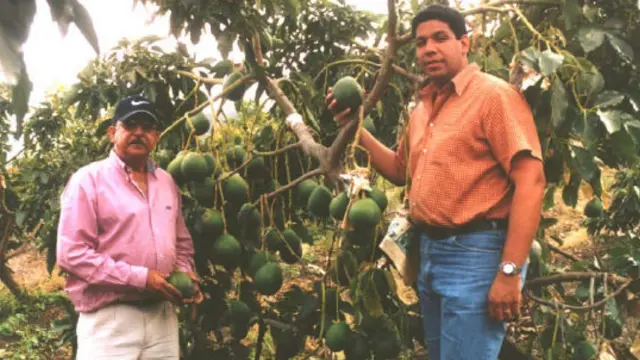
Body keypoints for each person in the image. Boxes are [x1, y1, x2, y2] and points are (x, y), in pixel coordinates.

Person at [326, 4, 546, 360]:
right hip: (430, 253)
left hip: (476, 253)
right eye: (421, 42)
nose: (428, 49)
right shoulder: (422, 109)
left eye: (440, 38)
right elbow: (400, 170)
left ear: (465, 43)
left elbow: (531, 180)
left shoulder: (493, 96)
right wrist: (354, 127)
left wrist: (509, 271)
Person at [56, 95, 203, 360]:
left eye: (146, 127)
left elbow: (182, 243)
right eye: (130, 125)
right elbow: (72, 254)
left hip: (163, 319)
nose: (138, 132)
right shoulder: (88, 180)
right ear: (113, 133)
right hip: (111, 320)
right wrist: (141, 278)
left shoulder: (167, 182)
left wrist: (185, 275)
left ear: (156, 136)